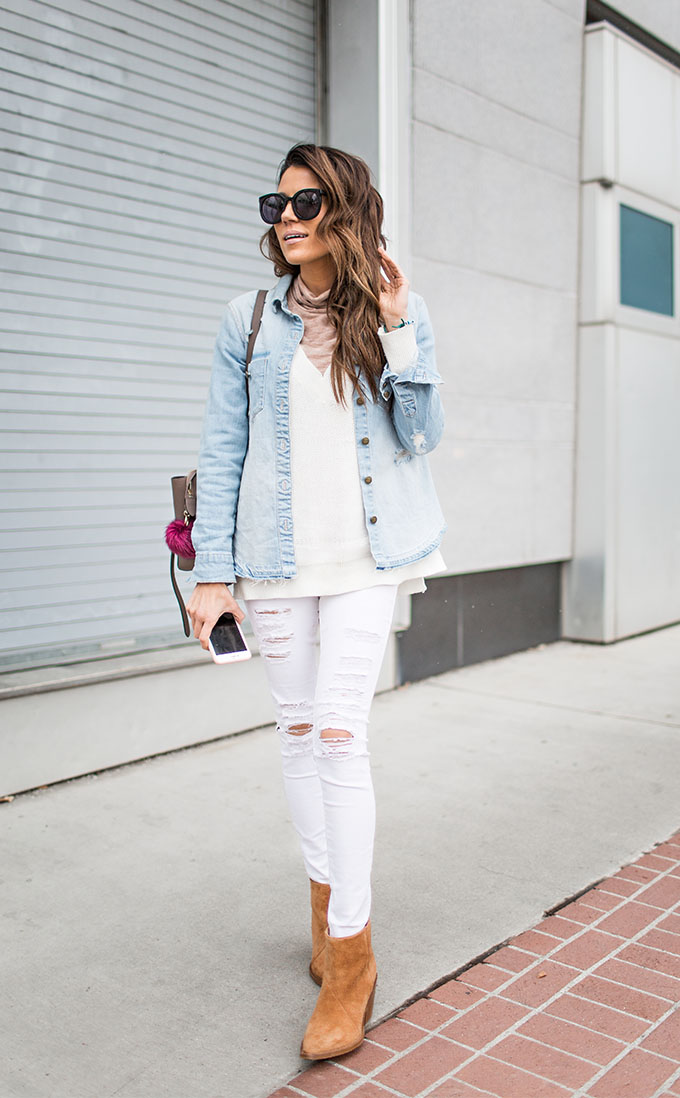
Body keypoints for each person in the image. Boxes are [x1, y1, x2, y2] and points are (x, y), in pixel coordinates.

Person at [186, 143, 446, 1061]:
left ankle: (352, 956)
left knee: (340, 731)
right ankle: (325, 916)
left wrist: (402, 325)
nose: (286, 218)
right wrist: (209, 575)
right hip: (275, 560)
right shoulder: (247, 319)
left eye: (305, 202)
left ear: (344, 209)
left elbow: (421, 437)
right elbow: (222, 451)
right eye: (276, 203)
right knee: (297, 733)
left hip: (370, 558)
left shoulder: (391, 311)